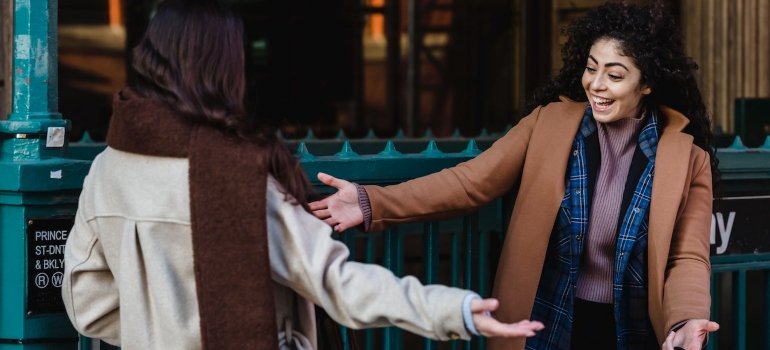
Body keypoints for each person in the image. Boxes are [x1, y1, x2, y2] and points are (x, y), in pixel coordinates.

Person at [60, 0, 545, 349]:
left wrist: (160, 332)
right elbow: (337, 283)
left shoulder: (107, 169)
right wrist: (455, 311)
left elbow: (88, 306)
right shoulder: (234, 176)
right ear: (222, 66)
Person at [310, 2, 720, 350]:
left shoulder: (688, 158)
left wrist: (685, 320)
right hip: (546, 320)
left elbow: (687, 256)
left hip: (634, 329)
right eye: (591, 68)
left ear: (646, 82)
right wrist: (371, 201)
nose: (596, 84)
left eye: (615, 75)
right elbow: (470, 182)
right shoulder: (548, 124)